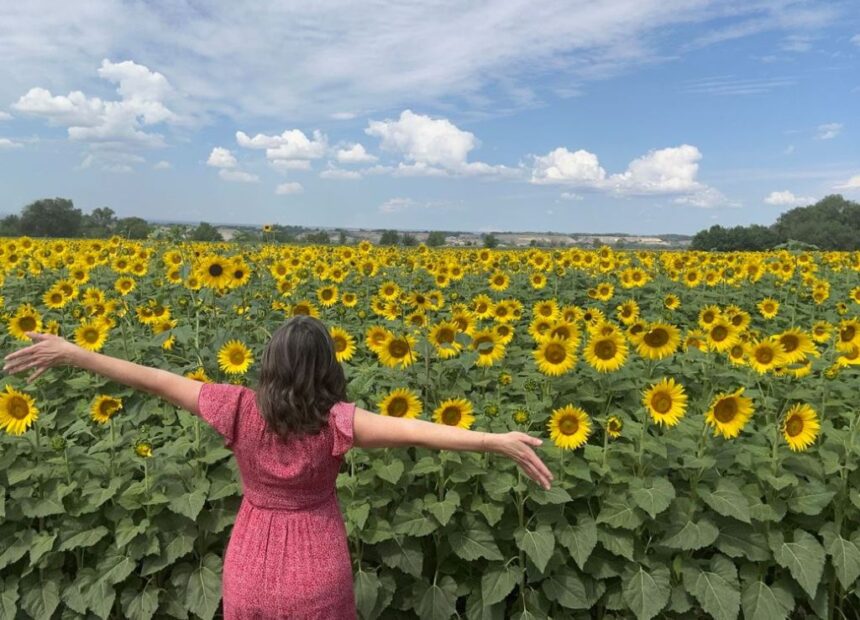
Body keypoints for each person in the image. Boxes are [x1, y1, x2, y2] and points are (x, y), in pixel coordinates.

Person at [3, 315, 553, 619]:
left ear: (268, 365)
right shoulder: (338, 422)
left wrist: (74, 353)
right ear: (327, 369)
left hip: (250, 562)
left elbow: (151, 377)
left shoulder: (237, 407)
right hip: (318, 565)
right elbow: (423, 433)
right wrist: (492, 440)